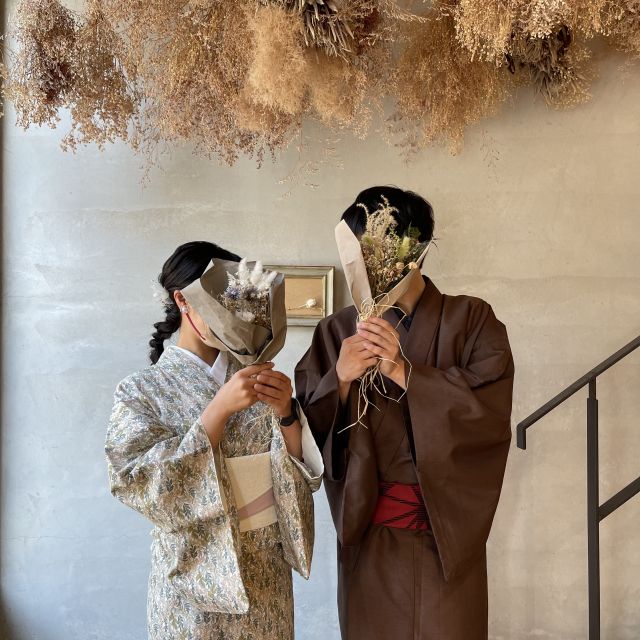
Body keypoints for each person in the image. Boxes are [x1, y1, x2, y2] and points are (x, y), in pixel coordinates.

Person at [295, 186, 514, 640]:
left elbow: (488, 417)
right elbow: (306, 438)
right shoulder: (338, 330)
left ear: (414, 252)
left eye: (375, 252)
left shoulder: (473, 319)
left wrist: (403, 370)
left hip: (445, 542)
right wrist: (340, 379)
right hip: (369, 539)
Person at [106, 241, 322, 640]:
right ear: (183, 301)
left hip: (265, 571)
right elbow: (134, 481)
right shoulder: (140, 390)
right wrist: (216, 412)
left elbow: (300, 475)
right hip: (192, 576)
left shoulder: (254, 375)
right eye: (216, 300)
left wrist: (286, 413)